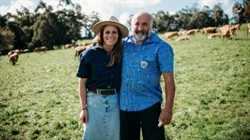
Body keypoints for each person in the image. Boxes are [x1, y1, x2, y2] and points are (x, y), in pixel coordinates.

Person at [120, 11, 176, 140]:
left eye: (144, 24)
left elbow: (169, 81)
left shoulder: (162, 47)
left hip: (150, 106)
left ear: (151, 26)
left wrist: (168, 109)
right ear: (131, 25)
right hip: (125, 107)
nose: (140, 28)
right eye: (136, 24)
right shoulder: (123, 44)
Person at [76, 16, 129, 140]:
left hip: (115, 102)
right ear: (101, 34)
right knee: (92, 136)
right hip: (94, 102)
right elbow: (82, 83)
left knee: (114, 136)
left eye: (114, 32)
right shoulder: (88, 55)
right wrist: (83, 109)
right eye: (107, 32)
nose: (111, 35)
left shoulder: (123, 53)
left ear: (119, 35)